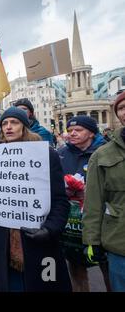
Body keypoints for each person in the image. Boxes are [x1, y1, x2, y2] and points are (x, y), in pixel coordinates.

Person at [0, 107, 72, 292]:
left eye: (14, 122)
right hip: (1, 242)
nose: (8, 127)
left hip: (35, 239)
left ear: (25, 127)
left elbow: (60, 201)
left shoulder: (46, 155)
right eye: (4, 124)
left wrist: (50, 229)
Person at [57, 116, 111, 292]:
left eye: (78, 130)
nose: (72, 133)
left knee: (108, 270)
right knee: (76, 270)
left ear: (91, 133)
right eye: (70, 130)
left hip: (101, 222)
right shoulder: (62, 153)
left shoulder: (105, 151)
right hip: (71, 224)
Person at [82, 92, 125, 292]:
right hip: (119, 244)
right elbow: (93, 202)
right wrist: (92, 241)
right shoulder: (102, 155)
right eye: (121, 108)